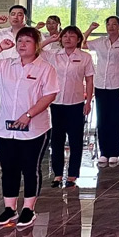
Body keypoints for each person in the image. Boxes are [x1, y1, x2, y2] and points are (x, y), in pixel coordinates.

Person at [0, 27, 59, 228]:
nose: (22, 44)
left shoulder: (45, 68)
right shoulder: (6, 65)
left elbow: (50, 95)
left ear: (36, 45)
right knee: (8, 169)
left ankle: (28, 209)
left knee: (30, 169)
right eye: (19, 40)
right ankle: (9, 209)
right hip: (5, 129)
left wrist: (28, 114)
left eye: (27, 41)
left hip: (34, 129)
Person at [41, 26, 94, 188]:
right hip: (56, 103)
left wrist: (88, 101)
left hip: (76, 103)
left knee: (75, 140)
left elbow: (89, 80)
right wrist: (49, 40)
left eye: (72, 36)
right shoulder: (53, 55)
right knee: (56, 140)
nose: (68, 39)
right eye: (65, 36)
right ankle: (57, 174)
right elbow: (36, 50)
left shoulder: (85, 57)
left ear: (78, 40)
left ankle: (72, 175)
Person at [83, 16, 119, 165]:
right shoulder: (101, 42)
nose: (111, 27)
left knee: (116, 120)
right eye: (108, 24)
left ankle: (115, 152)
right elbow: (82, 44)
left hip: (118, 85)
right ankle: (104, 152)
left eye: (114, 24)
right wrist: (90, 29)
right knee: (102, 119)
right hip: (101, 85)